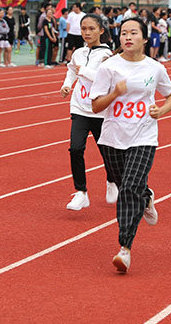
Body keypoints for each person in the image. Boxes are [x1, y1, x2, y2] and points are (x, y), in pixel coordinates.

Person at [90, 16, 171, 273]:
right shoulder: (109, 67)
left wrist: (161, 111)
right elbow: (95, 106)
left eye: (133, 33)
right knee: (125, 185)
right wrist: (115, 93)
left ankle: (124, 248)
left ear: (144, 37)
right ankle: (147, 196)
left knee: (128, 190)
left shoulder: (154, 68)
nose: (127, 37)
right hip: (112, 137)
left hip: (144, 136)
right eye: (123, 33)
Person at [60, 13, 118, 211]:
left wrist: (83, 70)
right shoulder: (78, 53)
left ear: (101, 31)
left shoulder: (108, 56)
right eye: (84, 29)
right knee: (76, 148)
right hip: (80, 108)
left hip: (101, 110)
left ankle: (112, 180)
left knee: (107, 153)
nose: (87, 32)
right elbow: (71, 70)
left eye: (91, 28)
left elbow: (105, 80)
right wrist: (67, 85)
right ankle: (81, 192)